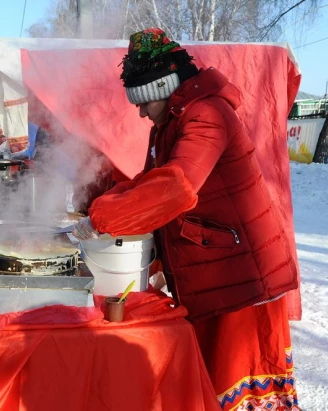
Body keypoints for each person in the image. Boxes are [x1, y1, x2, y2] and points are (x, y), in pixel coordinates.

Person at [73, 28, 299, 411]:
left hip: (240, 280)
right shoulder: (174, 122)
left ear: (164, 88)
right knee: (213, 389)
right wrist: (109, 205)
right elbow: (151, 181)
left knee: (239, 392)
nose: (142, 112)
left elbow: (176, 186)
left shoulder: (207, 115)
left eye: (144, 102)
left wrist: (103, 218)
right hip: (218, 271)